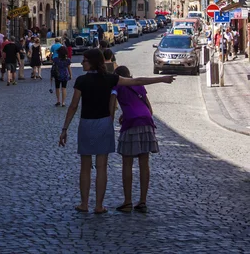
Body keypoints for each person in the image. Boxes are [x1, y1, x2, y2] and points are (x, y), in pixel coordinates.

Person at [59, 49, 175, 214]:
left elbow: (73, 106)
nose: (82, 63)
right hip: (104, 124)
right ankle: (99, 205)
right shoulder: (110, 79)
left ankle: (84, 204)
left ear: (92, 62)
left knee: (85, 166)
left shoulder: (81, 81)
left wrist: (65, 129)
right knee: (102, 167)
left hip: (86, 124)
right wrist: (162, 79)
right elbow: (137, 81)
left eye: (84, 60)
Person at [113, 66, 159, 214]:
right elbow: (149, 109)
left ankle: (127, 202)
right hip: (146, 123)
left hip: (131, 125)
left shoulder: (117, 86)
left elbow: (113, 106)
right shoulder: (138, 85)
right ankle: (143, 201)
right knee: (144, 163)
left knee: (127, 163)